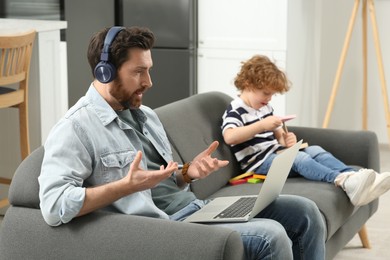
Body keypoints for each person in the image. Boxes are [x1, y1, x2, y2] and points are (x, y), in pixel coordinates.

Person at [38, 27, 326, 259]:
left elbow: (160, 183)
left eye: (149, 70)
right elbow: (53, 206)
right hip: (168, 228)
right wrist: (124, 187)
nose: (149, 81)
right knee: (270, 236)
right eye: (139, 71)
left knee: (305, 212)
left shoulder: (146, 116)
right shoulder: (75, 128)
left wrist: (186, 174)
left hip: (196, 208)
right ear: (106, 72)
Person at [221, 54, 390, 207]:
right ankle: (342, 181)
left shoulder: (265, 107)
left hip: (276, 154)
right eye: (266, 93)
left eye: (272, 95)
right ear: (248, 84)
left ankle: (355, 177)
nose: (269, 99)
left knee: (315, 150)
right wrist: (261, 125)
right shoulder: (235, 111)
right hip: (258, 165)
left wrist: (284, 139)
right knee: (298, 158)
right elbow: (230, 137)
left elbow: (278, 135)